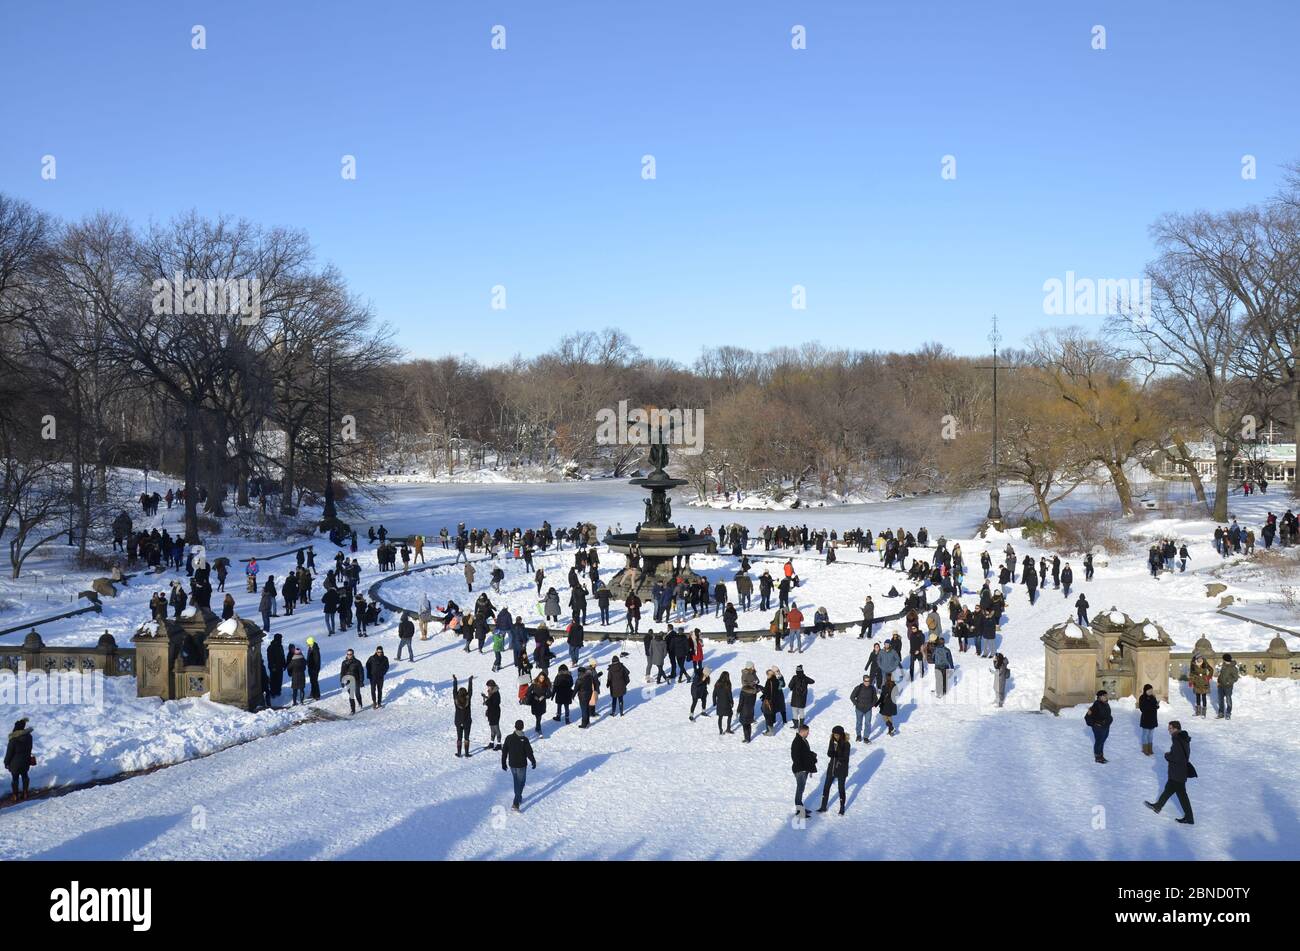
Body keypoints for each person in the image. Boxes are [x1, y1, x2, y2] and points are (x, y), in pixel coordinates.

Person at [1144, 721, 1195, 825]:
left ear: (1175, 729)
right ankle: (1158, 806)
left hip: (1178, 772)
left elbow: (1177, 757)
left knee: (1182, 796)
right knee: (1168, 789)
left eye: (1170, 728)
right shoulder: (1182, 739)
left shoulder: (1177, 739)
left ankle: (1189, 818)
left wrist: (1167, 756)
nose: (1169, 730)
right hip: (1178, 772)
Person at [501, 719, 537, 811]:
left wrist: (503, 762)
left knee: (516, 782)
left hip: (512, 764)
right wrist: (533, 761)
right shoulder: (524, 739)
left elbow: (504, 751)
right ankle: (515, 803)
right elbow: (529, 752)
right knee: (521, 782)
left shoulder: (509, 738)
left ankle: (518, 797)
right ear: (522, 727)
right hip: (521, 765)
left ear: (515, 727)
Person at [817, 725, 850, 815]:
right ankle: (823, 806)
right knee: (826, 787)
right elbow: (829, 753)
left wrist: (837, 753)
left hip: (841, 769)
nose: (835, 736)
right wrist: (832, 752)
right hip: (831, 768)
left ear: (841, 734)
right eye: (834, 734)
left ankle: (842, 808)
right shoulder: (832, 741)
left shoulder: (846, 743)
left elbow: (845, 758)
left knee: (841, 788)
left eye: (837, 735)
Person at [790, 723, 817, 819]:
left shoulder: (803, 740)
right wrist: (803, 768)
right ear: (802, 731)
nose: (808, 733)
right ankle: (799, 811)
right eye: (807, 732)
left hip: (803, 769)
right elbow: (795, 757)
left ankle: (801, 808)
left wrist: (811, 755)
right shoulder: (797, 741)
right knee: (800, 789)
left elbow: (805, 754)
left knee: (801, 789)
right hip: (800, 770)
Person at [5, 718, 34, 802]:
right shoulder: (29, 737)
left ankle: (15, 796)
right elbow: (30, 748)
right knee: (25, 776)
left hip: (14, 764)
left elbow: (9, 754)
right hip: (25, 761)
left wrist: (6, 763)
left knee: (15, 779)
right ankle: (25, 793)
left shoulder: (13, 740)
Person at [1085, 689, 1112, 763]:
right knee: (1099, 741)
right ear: (1099, 697)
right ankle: (1098, 757)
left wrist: (1110, 720)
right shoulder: (1096, 705)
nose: (1106, 697)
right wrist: (1095, 724)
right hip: (1099, 727)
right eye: (1104, 696)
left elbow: (1108, 715)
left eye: (1106, 695)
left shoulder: (1106, 704)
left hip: (1106, 726)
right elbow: (1087, 717)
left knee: (1102, 741)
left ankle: (1101, 756)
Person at [453, 674, 475, 757]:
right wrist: (470, 681)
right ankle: (466, 753)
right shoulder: (468, 699)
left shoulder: (456, 699)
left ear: (458, 694)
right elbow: (470, 690)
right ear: (466, 694)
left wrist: (455, 680)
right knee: (466, 737)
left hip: (458, 722)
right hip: (467, 722)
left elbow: (454, 690)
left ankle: (459, 753)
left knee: (459, 737)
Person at [850, 674, 876, 741]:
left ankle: (866, 737)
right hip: (859, 709)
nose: (867, 682)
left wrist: (871, 705)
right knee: (859, 722)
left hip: (868, 709)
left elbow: (875, 698)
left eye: (868, 681)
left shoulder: (872, 688)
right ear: (863, 681)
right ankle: (858, 735)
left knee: (867, 723)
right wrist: (856, 704)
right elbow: (852, 697)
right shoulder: (858, 688)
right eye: (866, 681)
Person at [340, 649, 365, 715]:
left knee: (357, 694)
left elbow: (361, 672)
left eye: (350, 654)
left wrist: (361, 681)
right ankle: (353, 710)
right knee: (351, 696)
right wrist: (342, 681)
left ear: (353, 654)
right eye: (348, 654)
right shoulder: (344, 662)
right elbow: (342, 673)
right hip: (348, 681)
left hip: (356, 680)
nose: (349, 656)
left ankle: (360, 703)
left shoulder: (357, 662)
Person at [1216, 653, 1239, 720]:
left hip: (1228, 686)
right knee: (1220, 700)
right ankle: (1221, 713)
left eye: (1223, 659)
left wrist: (1228, 681)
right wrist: (1218, 681)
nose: (1222, 660)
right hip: (1220, 686)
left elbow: (1235, 678)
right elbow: (1221, 675)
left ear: (1226, 659)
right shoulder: (1224, 665)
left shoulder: (1233, 668)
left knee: (1228, 700)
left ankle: (1228, 713)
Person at [1138, 683, 1159, 755]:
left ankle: (1150, 749)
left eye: (1151, 690)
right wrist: (1153, 706)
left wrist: (1156, 705)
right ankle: (1145, 749)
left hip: (1153, 718)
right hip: (1146, 719)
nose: (1150, 691)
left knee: (1151, 735)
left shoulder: (1153, 697)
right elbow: (1143, 708)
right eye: (1149, 690)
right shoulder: (1142, 698)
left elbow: (1156, 706)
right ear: (1145, 690)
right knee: (1145, 734)